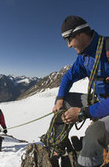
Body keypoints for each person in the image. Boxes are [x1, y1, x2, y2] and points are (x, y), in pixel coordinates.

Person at [41, 15, 109, 167]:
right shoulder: (84, 57)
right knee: (65, 101)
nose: (68, 45)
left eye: (69, 39)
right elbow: (68, 77)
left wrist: (83, 112)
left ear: (80, 33)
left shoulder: (106, 49)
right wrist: (59, 99)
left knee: (94, 135)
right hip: (101, 101)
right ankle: (57, 144)